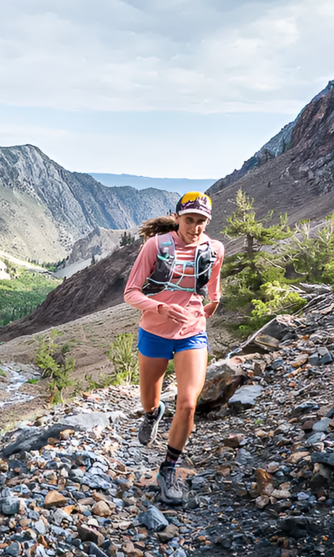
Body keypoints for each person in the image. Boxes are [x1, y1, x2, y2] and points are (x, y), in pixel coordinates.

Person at [123, 191, 224, 504]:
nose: (195, 227)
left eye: (201, 221)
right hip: (154, 331)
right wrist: (160, 308)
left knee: (189, 403)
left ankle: (169, 468)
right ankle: (154, 414)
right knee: (149, 400)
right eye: (189, 219)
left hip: (192, 333)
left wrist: (212, 305)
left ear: (207, 222)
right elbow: (131, 293)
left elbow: (213, 288)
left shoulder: (215, 249)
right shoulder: (156, 245)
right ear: (178, 217)